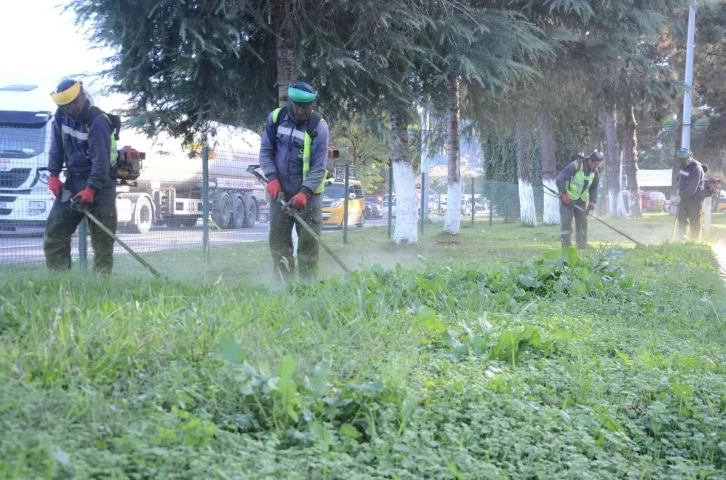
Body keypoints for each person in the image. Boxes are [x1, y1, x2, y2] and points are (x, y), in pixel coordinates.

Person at [44, 79, 119, 274]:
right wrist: (53, 174)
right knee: (55, 233)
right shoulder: (61, 116)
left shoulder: (98, 121)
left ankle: (102, 282)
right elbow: (56, 147)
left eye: (74, 101)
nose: (71, 107)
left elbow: (101, 162)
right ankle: (59, 280)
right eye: (65, 104)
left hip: (101, 184)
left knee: (102, 241)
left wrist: (91, 188)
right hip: (73, 181)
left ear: (83, 95)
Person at [259, 81, 329, 280]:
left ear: (312, 104)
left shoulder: (319, 127)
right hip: (279, 192)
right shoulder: (276, 118)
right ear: (289, 101)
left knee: (308, 244)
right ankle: (284, 285)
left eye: (305, 107)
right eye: (296, 105)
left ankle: (308, 286)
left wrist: (305, 192)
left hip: (309, 196)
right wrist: (271, 178)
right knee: (279, 242)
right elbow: (266, 151)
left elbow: (318, 166)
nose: (299, 110)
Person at [555, 151, 602, 249]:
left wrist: (593, 201)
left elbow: (593, 188)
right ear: (590, 161)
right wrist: (564, 194)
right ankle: (566, 247)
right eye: (595, 164)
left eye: (598, 165)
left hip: (581, 200)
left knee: (582, 224)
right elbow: (560, 179)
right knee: (566, 224)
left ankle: (582, 246)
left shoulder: (595, 172)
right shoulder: (575, 165)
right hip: (568, 199)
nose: (596, 167)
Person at [674, 148, 705, 240]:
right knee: (682, 219)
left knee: (695, 220)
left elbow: (692, 187)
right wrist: (677, 191)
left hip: (695, 199)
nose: (683, 161)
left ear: (690, 157)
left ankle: (695, 241)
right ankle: (682, 239)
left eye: (685, 159)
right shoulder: (682, 166)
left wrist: (680, 196)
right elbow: (680, 180)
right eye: (681, 159)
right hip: (683, 198)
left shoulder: (696, 168)